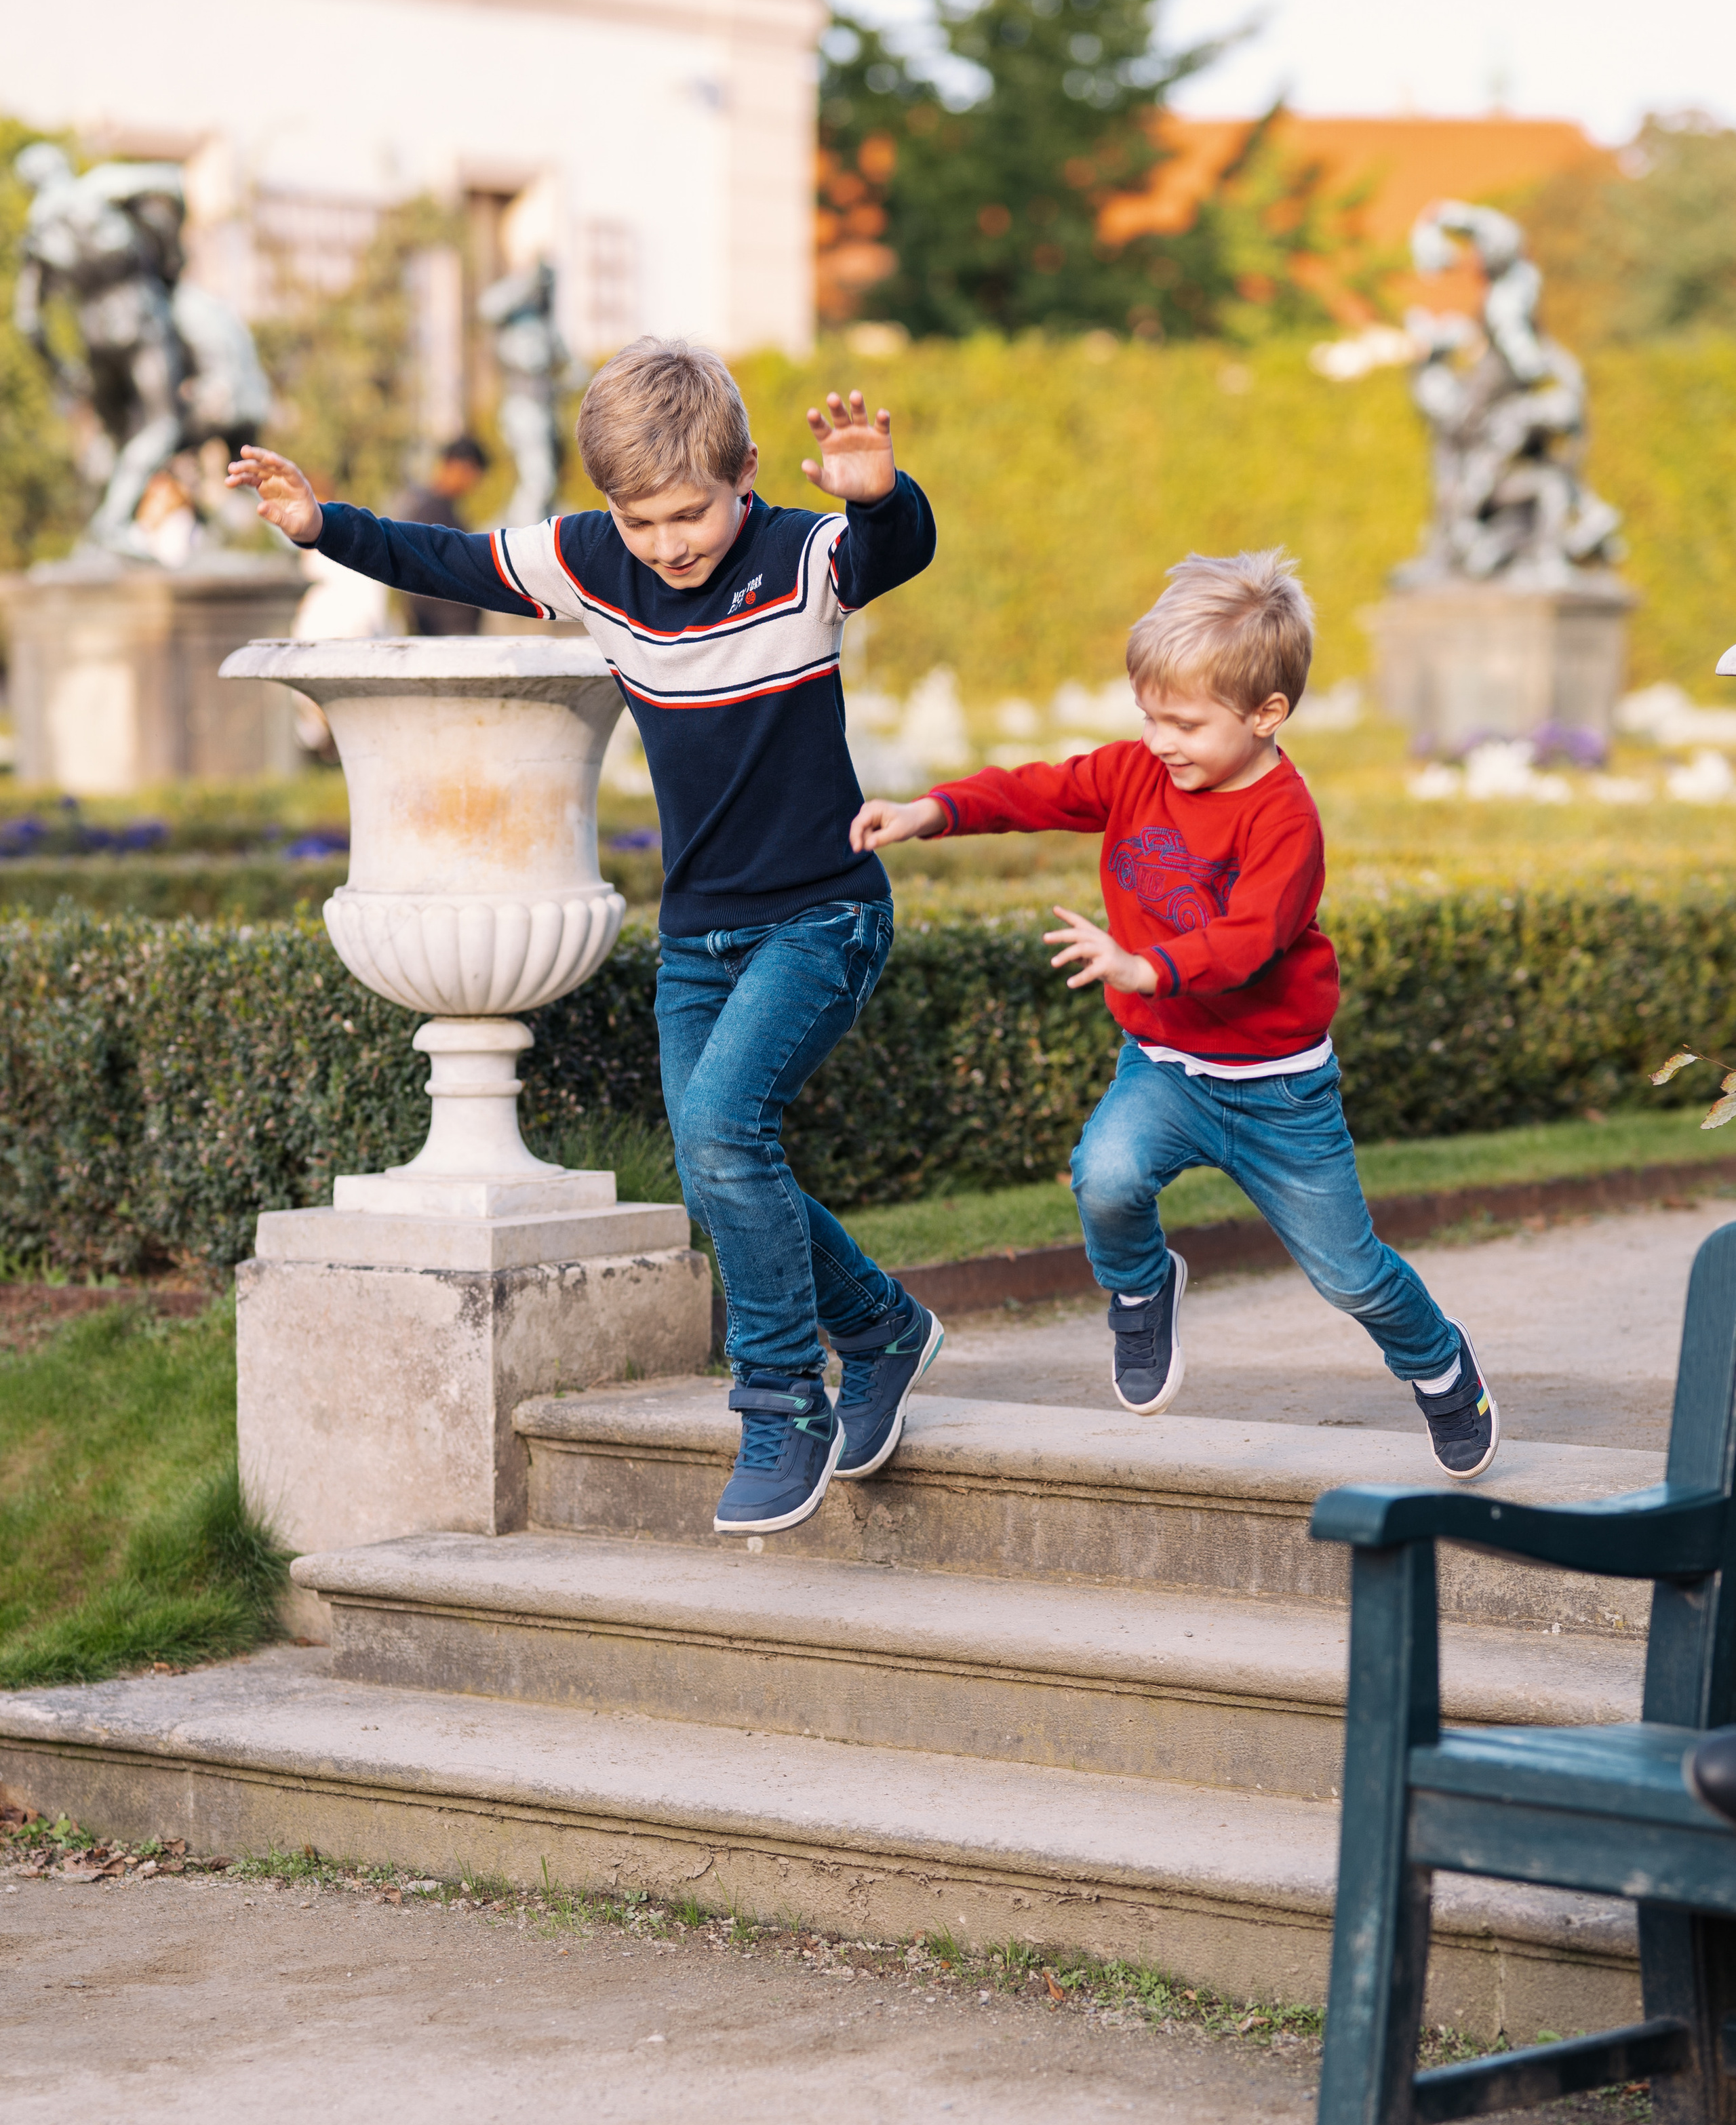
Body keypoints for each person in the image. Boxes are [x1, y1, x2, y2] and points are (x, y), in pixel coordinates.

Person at [226, 338, 944, 1534]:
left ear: (747, 474)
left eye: (690, 514)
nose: (668, 544)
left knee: (722, 1131)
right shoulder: (589, 562)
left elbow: (890, 552)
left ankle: (781, 1400)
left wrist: (880, 496)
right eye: (641, 520)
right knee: (716, 1169)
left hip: (825, 915)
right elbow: (446, 556)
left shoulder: (803, 555)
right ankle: (880, 1330)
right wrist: (320, 525)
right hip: (699, 937)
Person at [849, 549, 1500, 1481]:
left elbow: (1248, 941)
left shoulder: (1284, 820)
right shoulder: (1136, 773)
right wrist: (933, 811)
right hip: (1165, 1066)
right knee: (1105, 1177)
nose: (1160, 740)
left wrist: (1144, 966)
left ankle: (1440, 1367)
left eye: (1185, 723)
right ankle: (1141, 1288)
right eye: (1149, 715)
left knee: (1350, 1276)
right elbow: (1038, 790)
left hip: (1280, 1095)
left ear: (1266, 714)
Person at [396, 433, 492, 635]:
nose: (473, 482)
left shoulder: (442, 509)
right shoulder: (432, 512)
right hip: (445, 631)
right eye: (472, 472)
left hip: (450, 630)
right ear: (457, 465)